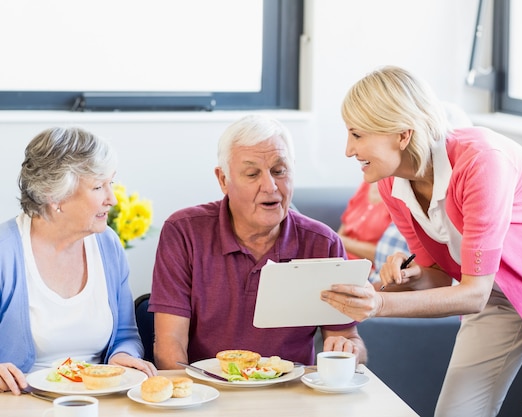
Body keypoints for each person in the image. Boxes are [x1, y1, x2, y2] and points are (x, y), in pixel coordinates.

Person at [321, 66, 522, 416]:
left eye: (357, 135)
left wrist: (380, 305)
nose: (348, 150)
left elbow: (473, 294)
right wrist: (398, 281)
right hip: (496, 291)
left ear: (402, 135)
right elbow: (436, 275)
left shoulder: (481, 161)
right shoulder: (392, 183)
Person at [149, 114, 367, 370]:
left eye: (279, 171)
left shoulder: (323, 243)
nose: (270, 186)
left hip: (291, 397)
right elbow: (169, 343)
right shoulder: (183, 232)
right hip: (209, 393)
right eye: (252, 174)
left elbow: (347, 338)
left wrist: (349, 350)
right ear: (223, 180)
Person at [0, 127, 157, 395]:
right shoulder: (6, 251)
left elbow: (125, 334)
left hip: (101, 402)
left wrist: (122, 355)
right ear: (54, 195)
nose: (113, 199)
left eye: (112, 183)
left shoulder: (108, 244)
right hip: (21, 403)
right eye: (98, 187)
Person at [337, 180, 391, 266]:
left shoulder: (397, 197)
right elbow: (340, 235)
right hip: (342, 261)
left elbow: (386, 256)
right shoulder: (366, 185)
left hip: (367, 268)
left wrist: (342, 242)